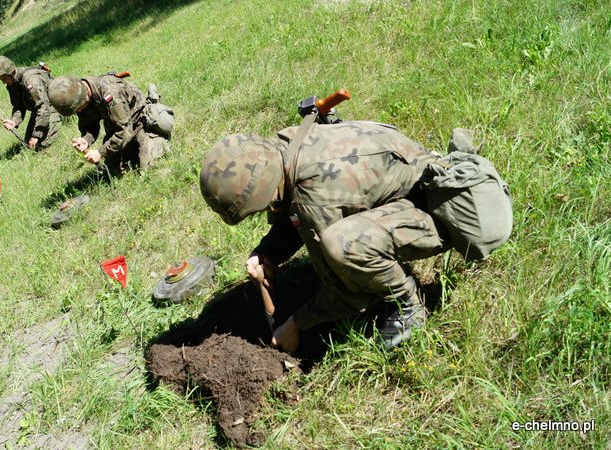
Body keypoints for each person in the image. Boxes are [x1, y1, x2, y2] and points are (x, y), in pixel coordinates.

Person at [199, 120, 510, 353]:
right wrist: (269, 252)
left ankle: (409, 304)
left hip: (442, 212)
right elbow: (290, 216)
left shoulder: (315, 195)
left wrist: (295, 325)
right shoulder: (291, 145)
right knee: (339, 241)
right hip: (415, 186)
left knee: (343, 245)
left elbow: (350, 294)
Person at [47, 74, 174, 177]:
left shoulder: (110, 92)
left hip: (141, 125)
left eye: (78, 108)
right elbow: (89, 124)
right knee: (113, 172)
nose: (79, 111)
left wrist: (100, 152)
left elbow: (125, 130)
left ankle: (157, 137)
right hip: (118, 130)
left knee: (149, 168)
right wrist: (86, 140)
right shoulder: (81, 97)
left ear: (85, 96)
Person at [0, 55, 62, 150]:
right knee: (28, 145)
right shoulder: (12, 84)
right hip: (39, 110)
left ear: (10, 72)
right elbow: (18, 106)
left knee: (42, 144)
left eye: (3, 78)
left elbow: (44, 108)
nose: (3, 82)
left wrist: (36, 135)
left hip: (54, 105)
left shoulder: (30, 80)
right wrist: (14, 121)